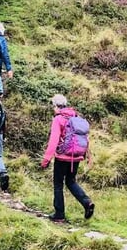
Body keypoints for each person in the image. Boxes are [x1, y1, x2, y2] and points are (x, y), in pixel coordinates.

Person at [40, 94, 94, 223]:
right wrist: (88, 156)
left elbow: (53, 140)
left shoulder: (58, 119)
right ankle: (86, 202)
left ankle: (59, 214)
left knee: (58, 185)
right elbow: (85, 139)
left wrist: (46, 159)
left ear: (56, 106)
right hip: (76, 157)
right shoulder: (76, 117)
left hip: (62, 157)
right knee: (71, 181)